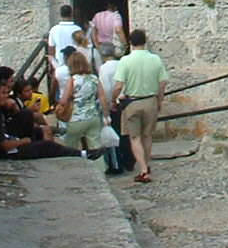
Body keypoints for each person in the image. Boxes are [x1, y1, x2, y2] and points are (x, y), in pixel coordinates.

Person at [0, 79, 89, 161]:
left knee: (31, 122)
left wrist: (14, 107)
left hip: (10, 139)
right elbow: (5, 145)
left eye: (7, 93)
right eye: (3, 93)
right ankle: (82, 154)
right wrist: (24, 141)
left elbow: (18, 117)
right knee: (46, 146)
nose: (7, 96)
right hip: (2, 153)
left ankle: (43, 141)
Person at [112, 29, 169, 184]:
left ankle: (143, 169)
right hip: (150, 100)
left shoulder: (125, 61)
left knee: (135, 137)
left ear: (130, 42)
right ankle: (147, 164)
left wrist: (113, 99)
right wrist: (160, 100)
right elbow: (163, 82)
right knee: (147, 135)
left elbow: (118, 85)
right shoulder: (155, 59)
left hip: (133, 102)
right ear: (145, 41)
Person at [61, 48, 108, 153]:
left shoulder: (73, 80)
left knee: (70, 146)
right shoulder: (94, 78)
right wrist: (106, 116)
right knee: (95, 147)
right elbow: (102, 98)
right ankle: (99, 167)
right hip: (93, 116)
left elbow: (63, 101)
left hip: (77, 117)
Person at [97, 41, 132, 175]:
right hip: (126, 100)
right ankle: (130, 160)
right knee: (127, 133)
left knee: (116, 133)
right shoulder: (121, 64)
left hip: (114, 103)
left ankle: (118, 163)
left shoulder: (104, 68)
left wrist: (107, 104)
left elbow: (105, 88)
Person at [46, 4, 82, 70]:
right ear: (71, 14)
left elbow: (51, 48)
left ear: (60, 14)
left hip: (60, 62)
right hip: (75, 63)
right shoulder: (77, 29)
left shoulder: (54, 29)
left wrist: (53, 63)